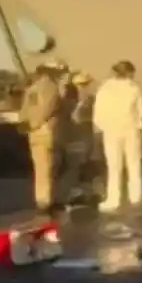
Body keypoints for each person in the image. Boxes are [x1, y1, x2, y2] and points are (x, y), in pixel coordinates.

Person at [93, 60, 142, 213]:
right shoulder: (134, 88)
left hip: (111, 131)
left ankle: (113, 199)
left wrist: (102, 127)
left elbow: (98, 113)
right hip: (131, 130)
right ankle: (135, 197)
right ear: (129, 72)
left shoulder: (104, 88)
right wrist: (141, 127)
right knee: (134, 163)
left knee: (114, 166)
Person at [19, 63, 62, 212]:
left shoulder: (32, 88)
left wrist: (29, 125)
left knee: (39, 167)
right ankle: (47, 201)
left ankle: (41, 199)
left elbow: (25, 110)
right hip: (46, 131)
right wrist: (37, 123)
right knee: (48, 166)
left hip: (34, 133)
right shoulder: (50, 87)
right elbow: (48, 109)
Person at [58, 71, 96, 202]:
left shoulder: (84, 100)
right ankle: (76, 192)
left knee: (81, 165)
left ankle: (82, 191)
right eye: (83, 85)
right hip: (78, 135)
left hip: (81, 135)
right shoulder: (76, 101)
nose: (85, 87)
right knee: (76, 165)